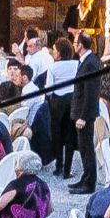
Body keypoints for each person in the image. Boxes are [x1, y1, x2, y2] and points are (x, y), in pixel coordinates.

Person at [68, 36, 104, 194]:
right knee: (83, 148)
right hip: (82, 111)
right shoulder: (87, 60)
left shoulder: (90, 63)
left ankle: (89, 183)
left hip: (85, 113)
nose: (74, 45)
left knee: (87, 148)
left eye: (75, 43)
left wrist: (83, 116)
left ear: (80, 45)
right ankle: (85, 177)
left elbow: (91, 93)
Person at [45, 38, 79, 181]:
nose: (53, 52)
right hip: (72, 100)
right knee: (70, 134)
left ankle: (59, 165)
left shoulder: (53, 67)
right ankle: (67, 169)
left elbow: (48, 90)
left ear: (59, 52)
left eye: (54, 49)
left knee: (57, 134)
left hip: (57, 102)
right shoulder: (77, 64)